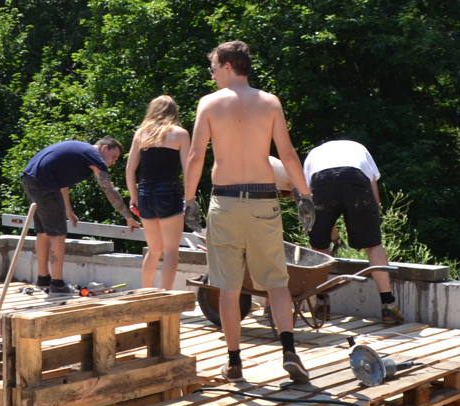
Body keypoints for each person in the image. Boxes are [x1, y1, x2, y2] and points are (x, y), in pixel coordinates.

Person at [185, 40, 316, 383]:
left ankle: (234, 363)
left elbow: (196, 156)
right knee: (276, 282)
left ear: (228, 66)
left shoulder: (209, 103)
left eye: (214, 68)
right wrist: (304, 195)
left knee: (228, 286)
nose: (212, 75)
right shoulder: (270, 102)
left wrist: (189, 199)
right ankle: (289, 351)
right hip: (263, 201)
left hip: (225, 202)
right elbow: (287, 154)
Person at [21, 137, 140, 293]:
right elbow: (108, 189)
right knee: (58, 233)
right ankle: (57, 284)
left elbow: (63, 184)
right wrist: (128, 217)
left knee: (43, 231)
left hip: (30, 178)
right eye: (113, 156)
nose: (113, 162)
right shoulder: (93, 154)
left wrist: (68, 211)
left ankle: (43, 279)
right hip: (45, 182)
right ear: (104, 148)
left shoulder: (80, 151)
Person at [302, 140, 401, 325]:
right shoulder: (359, 149)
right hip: (355, 175)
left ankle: (321, 304)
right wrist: (371, 225)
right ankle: (389, 306)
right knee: (373, 245)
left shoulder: (313, 155)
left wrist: (329, 238)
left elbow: (317, 207)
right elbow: (374, 196)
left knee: (319, 246)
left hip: (321, 179)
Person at [125, 96, 192, 291]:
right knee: (171, 252)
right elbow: (188, 169)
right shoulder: (180, 134)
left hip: (145, 193)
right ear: (174, 112)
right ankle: (165, 297)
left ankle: (145, 294)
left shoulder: (141, 133)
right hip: (168, 193)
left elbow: (130, 169)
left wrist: (134, 197)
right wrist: (189, 199)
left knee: (153, 250)